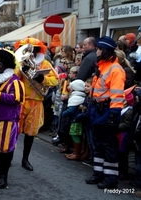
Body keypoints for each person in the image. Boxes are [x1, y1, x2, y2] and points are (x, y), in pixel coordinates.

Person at [85, 36, 125, 189]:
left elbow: (116, 94)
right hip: (97, 109)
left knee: (108, 145)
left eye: (99, 49)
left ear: (106, 51)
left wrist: (114, 115)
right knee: (98, 144)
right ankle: (98, 173)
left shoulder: (115, 69)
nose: (97, 52)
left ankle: (110, 178)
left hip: (107, 110)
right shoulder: (103, 66)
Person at [14, 37, 58, 171]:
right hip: (19, 101)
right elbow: (11, 77)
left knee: (31, 133)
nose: (30, 53)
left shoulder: (44, 63)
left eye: (33, 50)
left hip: (36, 102)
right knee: (14, 131)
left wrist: (42, 78)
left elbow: (55, 79)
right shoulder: (17, 61)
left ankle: (25, 159)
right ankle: (8, 156)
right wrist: (21, 68)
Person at [0, 48, 25, 189]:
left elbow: (17, 98)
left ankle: (4, 176)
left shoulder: (15, 81)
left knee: (6, 149)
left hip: (8, 120)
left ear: (6, 64)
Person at [63, 79, 86, 160]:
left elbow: (71, 110)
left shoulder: (76, 97)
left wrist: (64, 113)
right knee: (74, 135)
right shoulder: (80, 96)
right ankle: (75, 152)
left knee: (75, 135)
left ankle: (76, 154)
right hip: (76, 119)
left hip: (75, 120)